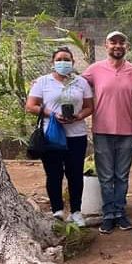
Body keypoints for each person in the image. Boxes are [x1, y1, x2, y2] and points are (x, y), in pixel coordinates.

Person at [82, 31, 132, 234]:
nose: (117, 46)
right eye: (113, 42)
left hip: (127, 131)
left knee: (121, 175)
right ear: (106, 44)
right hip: (102, 130)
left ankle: (120, 212)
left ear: (126, 46)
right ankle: (108, 214)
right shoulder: (94, 70)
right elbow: (75, 86)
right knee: (105, 176)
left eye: (121, 42)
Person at [25, 47, 93, 227]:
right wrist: (51, 114)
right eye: (60, 59)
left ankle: (76, 212)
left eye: (67, 59)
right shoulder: (42, 82)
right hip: (52, 135)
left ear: (73, 62)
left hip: (76, 135)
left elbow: (89, 106)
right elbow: (31, 106)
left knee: (75, 174)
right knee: (54, 174)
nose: (64, 62)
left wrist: (78, 116)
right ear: (53, 62)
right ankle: (57, 211)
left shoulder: (81, 82)